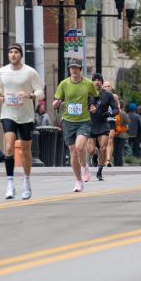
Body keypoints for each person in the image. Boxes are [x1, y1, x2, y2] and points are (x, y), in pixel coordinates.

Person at [0, 44, 44, 200]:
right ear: (8, 55)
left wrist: (29, 95)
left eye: (16, 52)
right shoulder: (3, 71)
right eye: (10, 52)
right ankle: (10, 185)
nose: (13, 54)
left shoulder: (30, 72)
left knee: (25, 150)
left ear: (20, 55)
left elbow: (40, 92)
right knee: (8, 147)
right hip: (8, 113)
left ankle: (27, 182)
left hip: (26, 116)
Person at [53, 60, 99, 191]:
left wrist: (93, 105)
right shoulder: (64, 83)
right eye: (71, 68)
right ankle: (78, 181)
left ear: (80, 70)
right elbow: (59, 98)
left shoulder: (88, 83)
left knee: (79, 147)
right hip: (68, 121)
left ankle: (84, 166)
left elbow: (95, 96)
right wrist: (56, 103)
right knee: (73, 151)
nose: (73, 70)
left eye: (76, 68)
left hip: (84, 120)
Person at [89, 73, 117, 178]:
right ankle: (95, 155)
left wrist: (110, 113)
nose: (97, 82)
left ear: (102, 82)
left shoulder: (108, 95)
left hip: (103, 123)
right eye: (94, 80)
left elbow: (116, 109)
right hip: (91, 123)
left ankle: (100, 171)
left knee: (103, 147)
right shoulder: (88, 94)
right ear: (92, 82)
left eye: (99, 80)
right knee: (91, 150)